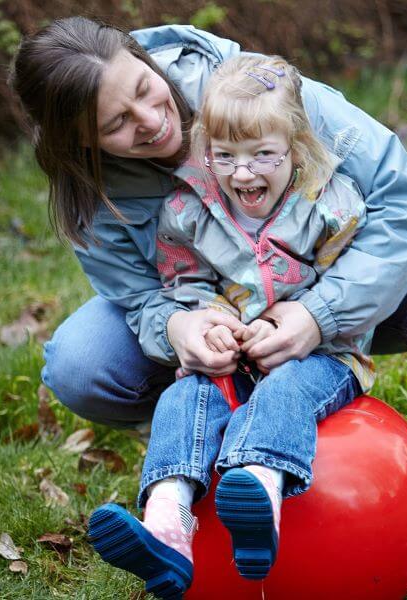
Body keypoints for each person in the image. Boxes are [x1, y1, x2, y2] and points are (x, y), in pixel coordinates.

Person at [10, 16, 407, 577]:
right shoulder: (90, 188)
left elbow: (399, 205)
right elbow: (136, 297)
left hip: (328, 283)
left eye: (143, 90)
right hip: (218, 314)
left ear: (144, 58)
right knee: (81, 363)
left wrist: (318, 313)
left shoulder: (254, 91)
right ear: (80, 141)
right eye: (117, 124)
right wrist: (179, 329)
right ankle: (191, 473)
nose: (152, 121)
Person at [88, 54, 375, 595]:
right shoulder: (188, 210)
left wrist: (308, 320)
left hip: (321, 358)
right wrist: (206, 320)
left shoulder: (333, 207)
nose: (243, 172)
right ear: (206, 154)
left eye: (262, 155)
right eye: (225, 157)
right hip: (234, 360)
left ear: (295, 145)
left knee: (285, 392)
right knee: (186, 396)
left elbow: (353, 287)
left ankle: (260, 490)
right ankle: (168, 524)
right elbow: (185, 283)